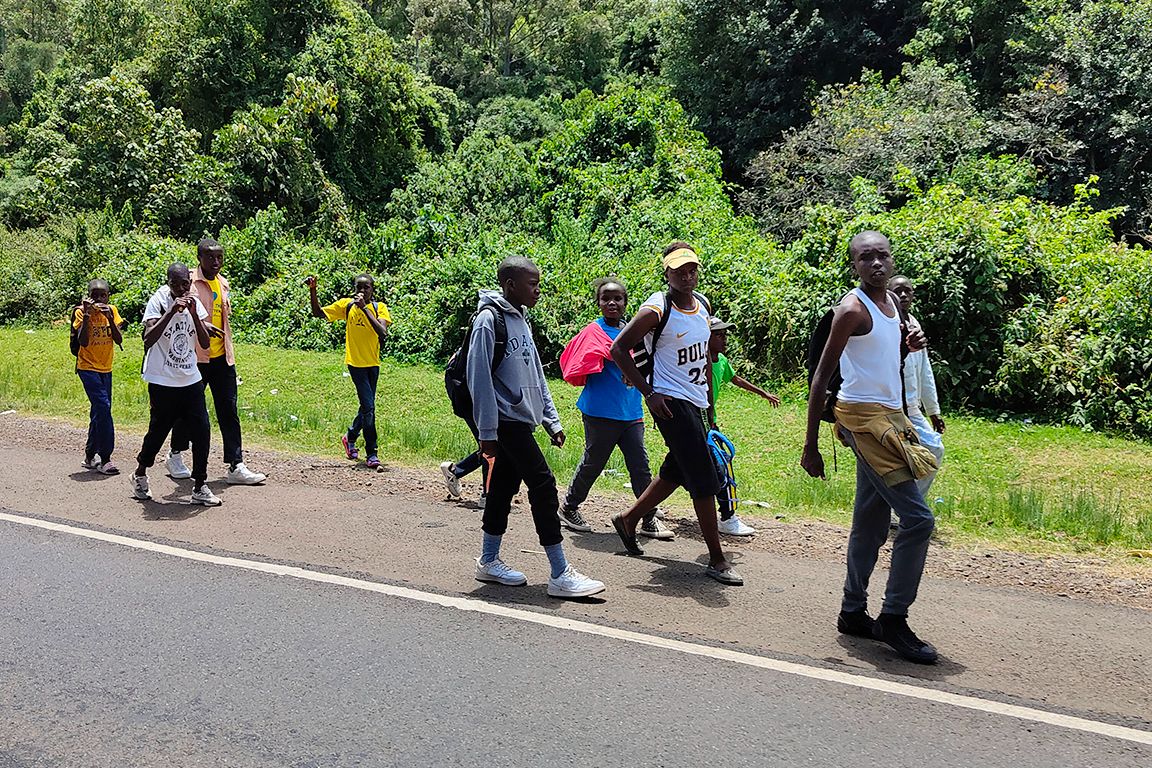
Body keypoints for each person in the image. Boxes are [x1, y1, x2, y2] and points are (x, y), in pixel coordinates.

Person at [802, 231, 940, 664]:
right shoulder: (851, 310)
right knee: (918, 521)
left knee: (870, 521)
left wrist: (907, 345)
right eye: (866, 258)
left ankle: (852, 611)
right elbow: (821, 379)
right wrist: (811, 446)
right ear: (854, 265)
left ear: (892, 258)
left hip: (891, 417)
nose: (876, 263)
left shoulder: (894, 304)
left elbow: (885, 360)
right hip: (862, 421)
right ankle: (894, 619)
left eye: (882, 255)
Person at [468, 255, 605, 598]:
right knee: (543, 485)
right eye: (533, 284)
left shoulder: (522, 320)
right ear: (510, 285)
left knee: (501, 489)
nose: (538, 291)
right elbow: (479, 380)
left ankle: (488, 560)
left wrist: (550, 419)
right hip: (504, 421)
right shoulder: (489, 320)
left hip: (523, 419)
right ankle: (560, 573)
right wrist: (486, 434)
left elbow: (535, 374)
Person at [608, 242, 742, 586]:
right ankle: (716, 557)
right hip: (670, 403)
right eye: (679, 271)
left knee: (677, 469)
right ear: (667, 273)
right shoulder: (657, 307)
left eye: (692, 270)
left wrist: (710, 407)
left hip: (695, 402)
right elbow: (618, 348)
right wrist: (649, 393)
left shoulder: (703, 307)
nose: (687, 276)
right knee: (704, 476)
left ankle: (628, 518)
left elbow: (705, 360)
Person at [556, 277, 669, 539]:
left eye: (617, 298)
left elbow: (649, 360)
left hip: (631, 411)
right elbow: (578, 361)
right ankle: (569, 507)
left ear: (625, 302)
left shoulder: (635, 331)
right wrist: (601, 360)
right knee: (593, 463)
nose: (612, 303)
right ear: (598, 303)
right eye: (606, 298)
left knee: (640, 466)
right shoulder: (592, 333)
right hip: (599, 412)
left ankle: (648, 518)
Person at [165, 238, 266, 485]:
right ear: (199, 258)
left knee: (229, 411)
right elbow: (177, 313)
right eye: (211, 258)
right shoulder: (188, 282)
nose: (216, 262)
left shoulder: (222, 282)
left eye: (220, 257)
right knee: (188, 411)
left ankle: (236, 465)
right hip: (195, 358)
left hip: (222, 357)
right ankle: (175, 454)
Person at [131, 263, 221, 506]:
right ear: (168, 282)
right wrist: (170, 311)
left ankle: (200, 485)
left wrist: (193, 313)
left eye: (185, 284)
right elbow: (148, 339)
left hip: (190, 378)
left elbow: (203, 343)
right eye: (176, 284)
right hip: (162, 380)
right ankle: (140, 473)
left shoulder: (193, 301)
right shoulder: (158, 301)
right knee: (158, 432)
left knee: (202, 431)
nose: (181, 289)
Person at [307, 273, 391, 470]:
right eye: (358, 288)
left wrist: (365, 310)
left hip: (373, 364)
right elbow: (318, 312)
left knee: (366, 407)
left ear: (373, 290)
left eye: (366, 288)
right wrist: (313, 290)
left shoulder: (379, 308)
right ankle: (372, 453)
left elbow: (382, 332)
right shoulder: (347, 305)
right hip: (355, 364)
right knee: (369, 408)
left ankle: (350, 436)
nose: (362, 291)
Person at [707, 316, 780, 536]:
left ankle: (646, 508)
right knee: (720, 466)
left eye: (725, 335)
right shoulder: (697, 362)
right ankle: (727, 518)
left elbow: (735, 379)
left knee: (688, 469)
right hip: (698, 423)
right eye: (718, 335)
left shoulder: (720, 361)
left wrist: (762, 392)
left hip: (710, 423)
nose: (724, 339)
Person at [889, 276, 945, 500]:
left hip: (912, 408)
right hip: (889, 407)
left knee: (933, 451)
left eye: (907, 291)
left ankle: (910, 505)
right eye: (898, 291)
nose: (903, 295)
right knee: (898, 459)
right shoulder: (885, 323)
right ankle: (903, 509)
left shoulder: (914, 323)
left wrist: (933, 411)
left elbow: (924, 370)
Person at [74, 279, 124, 475]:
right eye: (94, 295)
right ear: (89, 297)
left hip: (106, 367)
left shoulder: (112, 310)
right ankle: (106, 458)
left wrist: (110, 318)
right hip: (87, 367)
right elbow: (83, 341)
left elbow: (118, 339)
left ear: (108, 296)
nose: (99, 299)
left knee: (99, 411)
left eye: (102, 295)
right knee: (104, 407)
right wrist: (87, 315)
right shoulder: (81, 312)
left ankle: (89, 455)